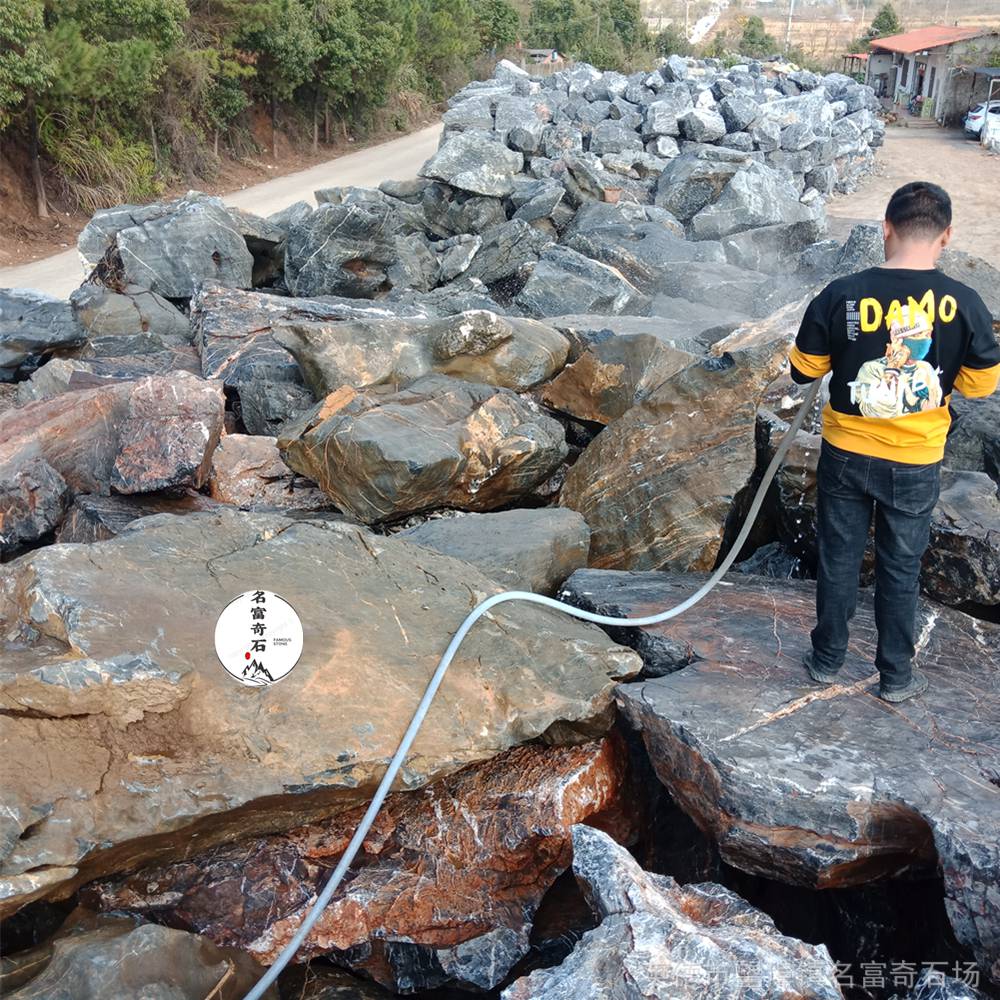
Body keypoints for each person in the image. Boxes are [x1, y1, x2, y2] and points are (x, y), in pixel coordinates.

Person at [790, 181, 1000, 702]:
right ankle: (897, 677)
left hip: (846, 454)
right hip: (916, 461)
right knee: (901, 567)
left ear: (886, 227)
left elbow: (803, 371)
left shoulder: (841, 294)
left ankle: (825, 660)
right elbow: (980, 385)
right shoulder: (966, 303)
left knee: (837, 558)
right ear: (946, 236)